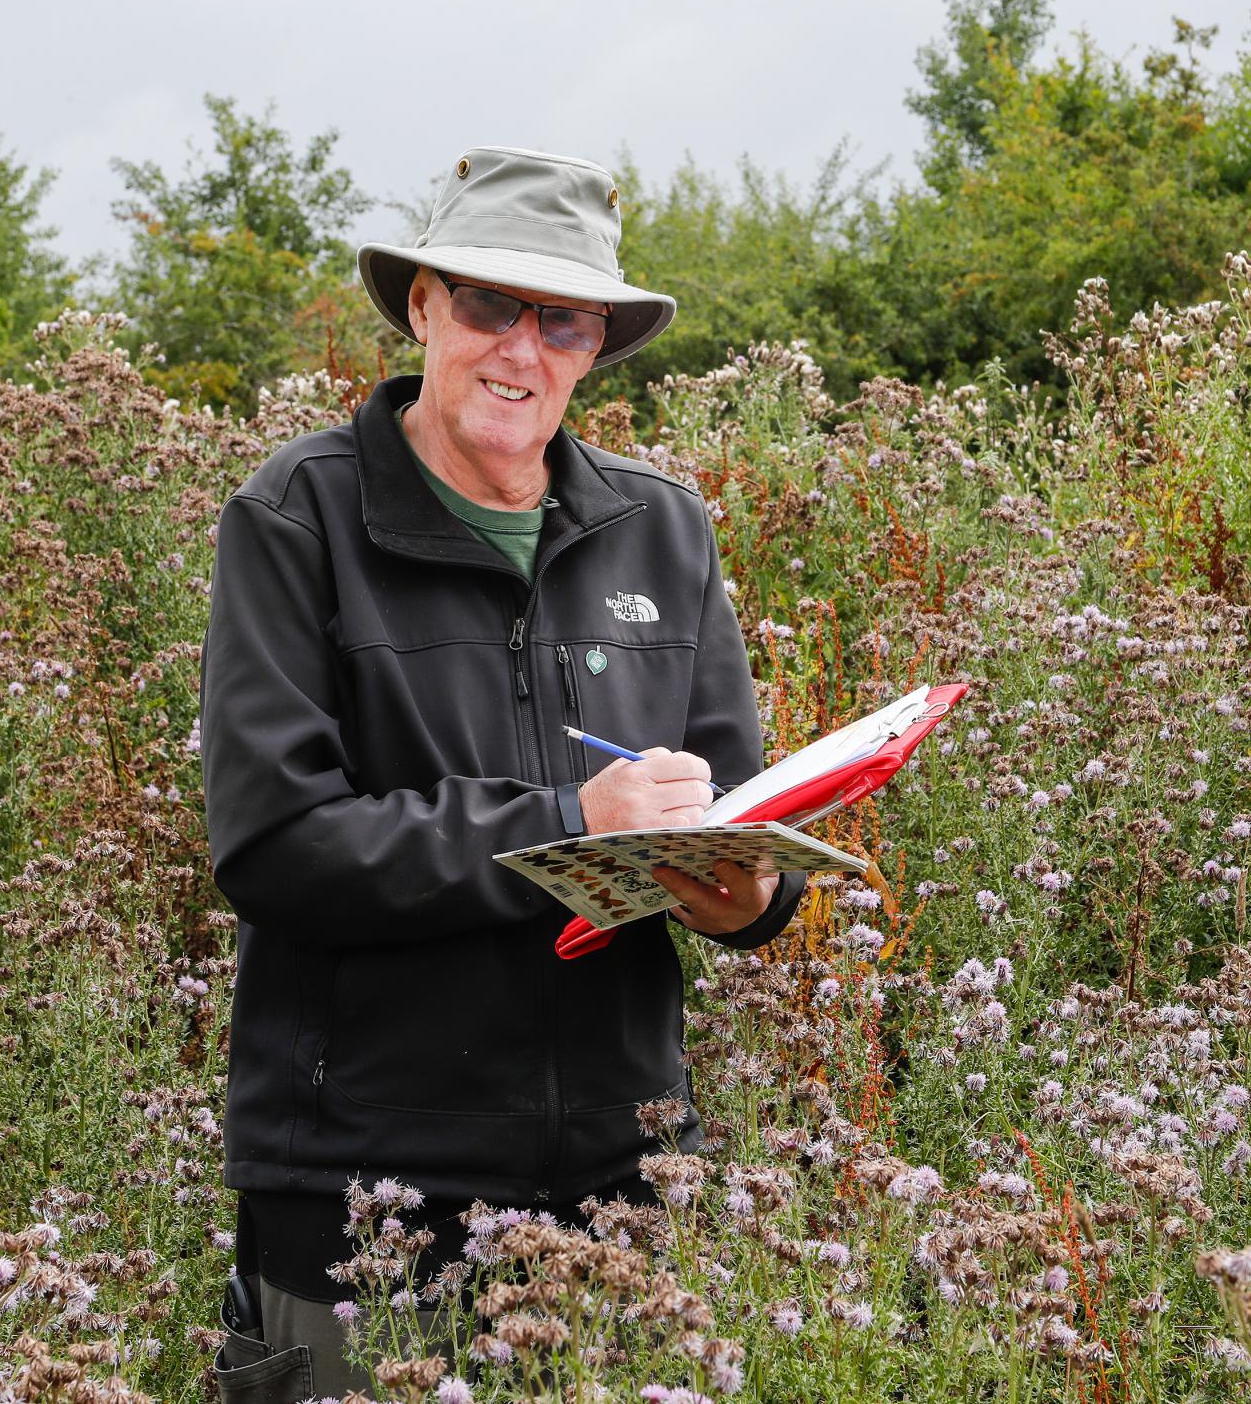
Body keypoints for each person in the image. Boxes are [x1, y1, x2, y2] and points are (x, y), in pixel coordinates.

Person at [198, 145, 806, 1399]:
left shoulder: (661, 527)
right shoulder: (294, 518)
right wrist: (564, 826)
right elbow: (274, 845)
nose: (518, 351)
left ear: (595, 347)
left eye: (561, 322)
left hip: (623, 1182)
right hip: (355, 1190)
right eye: (486, 306)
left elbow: (735, 810)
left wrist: (747, 895)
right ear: (421, 304)